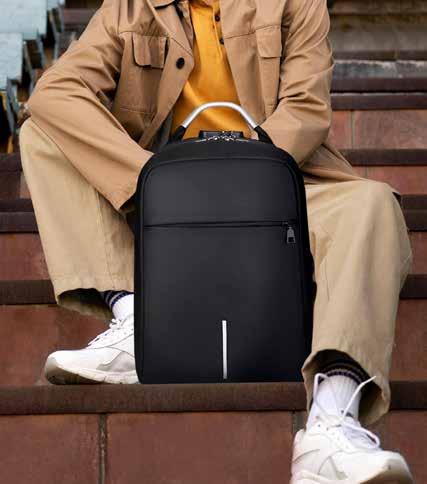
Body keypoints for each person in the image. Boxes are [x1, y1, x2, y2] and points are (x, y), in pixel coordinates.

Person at [19, 0, 414, 481]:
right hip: (163, 208)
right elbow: (57, 91)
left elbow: (306, 110)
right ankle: (137, 318)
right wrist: (163, 183)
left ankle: (331, 422)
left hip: (279, 189)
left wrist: (234, 177)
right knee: (44, 132)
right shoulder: (130, 6)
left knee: (372, 203)